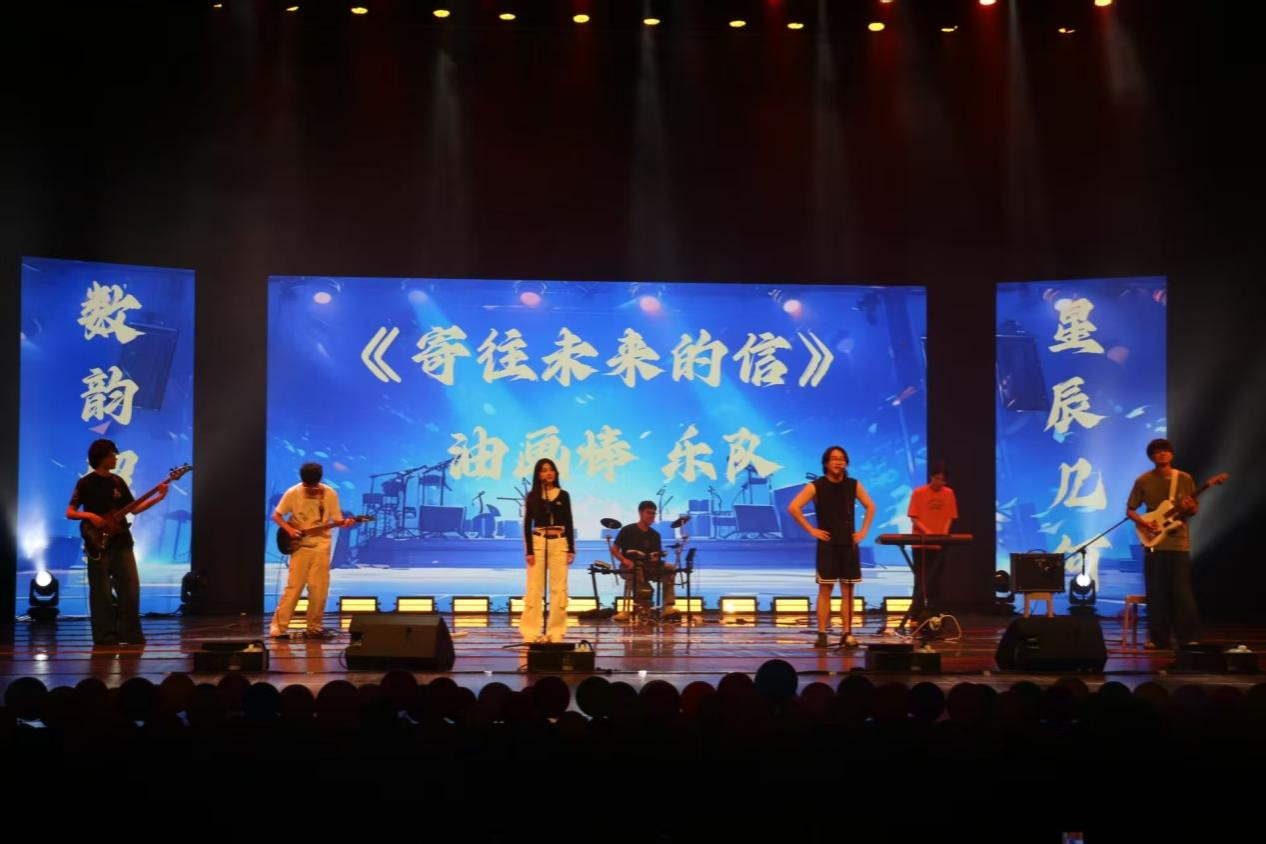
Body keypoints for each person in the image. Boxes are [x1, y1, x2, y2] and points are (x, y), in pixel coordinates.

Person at [66, 438, 167, 646]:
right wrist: (90, 516)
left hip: (122, 541)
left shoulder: (118, 482)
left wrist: (159, 497)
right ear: (101, 457)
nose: (116, 458)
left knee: (130, 588)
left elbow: (134, 509)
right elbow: (70, 512)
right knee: (101, 592)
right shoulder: (85, 483)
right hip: (97, 543)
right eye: (112, 454)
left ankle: (131, 635)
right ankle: (106, 637)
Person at [787, 446, 875, 649]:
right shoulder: (817, 486)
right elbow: (793, 507)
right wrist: (811, 530)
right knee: (825, 589)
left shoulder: (853, 484)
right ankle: (822, 633)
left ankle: (847, 633)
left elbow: (870, 506)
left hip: (848, 545)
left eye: (842, 458)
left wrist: (863, 531)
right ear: (826, 463)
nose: (838, 462)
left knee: (848, 591)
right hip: (828, 545)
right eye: (834, 458)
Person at [1126, 438, 1200, 649]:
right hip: (1154, 542)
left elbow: (1194, 510)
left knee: (1182, 592)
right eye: (1156, 452)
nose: (1161, 454)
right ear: (1151, 457)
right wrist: (1144, 523)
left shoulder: (1184, 478)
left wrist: (1190, 507)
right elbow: (1130, 509)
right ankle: (1158, 638)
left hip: (1178, 542)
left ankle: (1187, 637)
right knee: (1156, 592)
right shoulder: (1143, 480)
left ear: (1171, 454)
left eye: (1165, 451)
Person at [269, 462, 356, 639]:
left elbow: (337, 520)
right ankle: (278, 627)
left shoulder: (330, 493)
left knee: (319, 589)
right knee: (294, 587)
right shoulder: (293, 492)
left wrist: (346, 523)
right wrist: (289, 530)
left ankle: (314, 626)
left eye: (313, 486)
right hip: (300, 546)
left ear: (319, 480)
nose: (310, 489)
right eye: (307, 485)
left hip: (322, 546)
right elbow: (276, 515)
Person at [520, 458, 576, 643]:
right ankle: (531, 631)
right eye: (544, 470)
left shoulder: (563, 495)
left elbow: (569, 522)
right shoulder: (533, 496)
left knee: (559, 588)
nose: (548, 473)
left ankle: (556, 631)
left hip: (559, 542)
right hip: (538, 541)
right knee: (535, 588)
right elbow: (527, 523)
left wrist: (571, 548)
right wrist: (529, 551)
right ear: (538, 475)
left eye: (551, 469)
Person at [905, 460, 959, 624]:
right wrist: (927, 532)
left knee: (937, 582)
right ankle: (916, 615)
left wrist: (943, 535)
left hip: (939, 545)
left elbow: (950, 516)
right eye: (936, 478)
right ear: (931, 476)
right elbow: (914, 517)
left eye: (942, 480)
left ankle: (935, 616)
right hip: (921, 544)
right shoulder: (918, 492)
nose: (939, 482)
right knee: (920, 581)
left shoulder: (948, 493)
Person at [613, 501, 681, 622]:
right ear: (640, 513)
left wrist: (656, 557)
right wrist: (624, 560)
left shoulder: (655, 535)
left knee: (670, 568)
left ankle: (668, 607)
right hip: (629, 566)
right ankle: (634, 609)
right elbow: (614, 549)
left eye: (654, 513)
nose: (652, 516)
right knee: (636, 572)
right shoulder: (627, 530)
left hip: (648, 566)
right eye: (649, 513)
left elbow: (656, 555)